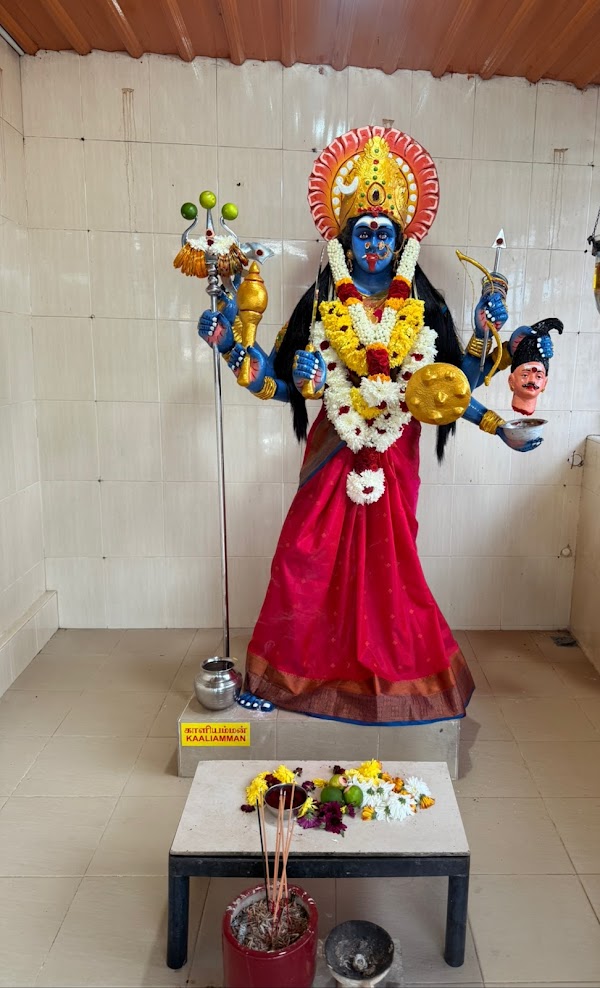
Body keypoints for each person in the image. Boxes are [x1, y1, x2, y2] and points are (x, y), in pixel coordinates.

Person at [198, 127, 558, 725]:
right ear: (346, 238)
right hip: (331, 450)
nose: (372, 243)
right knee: (302, 557)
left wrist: (493, 393)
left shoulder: (424, 308)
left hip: (395, 455)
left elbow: (448, 386)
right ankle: (287, 674)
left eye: (382, 233)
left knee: (391, 570)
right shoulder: (320, 304)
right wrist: (236, 349)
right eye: (362, 232)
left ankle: (391, 678)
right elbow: (277, 384)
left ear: (399, 242)